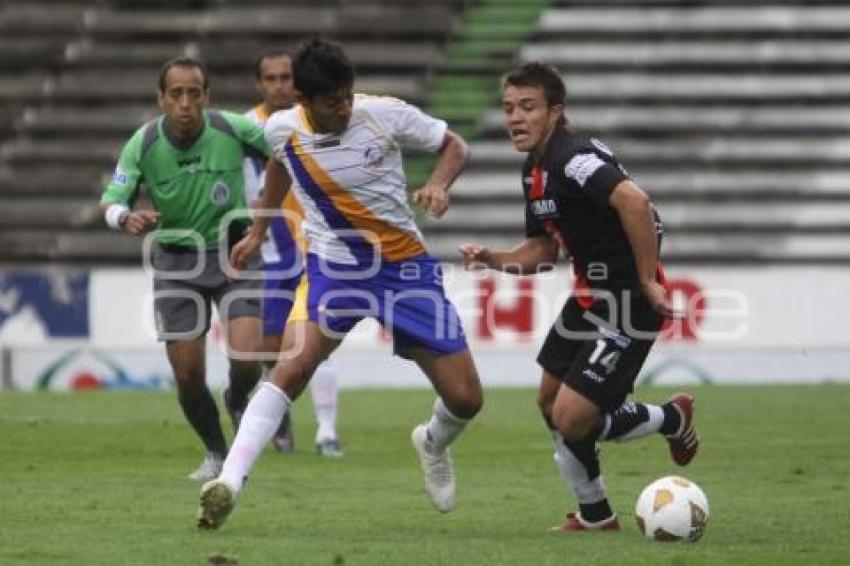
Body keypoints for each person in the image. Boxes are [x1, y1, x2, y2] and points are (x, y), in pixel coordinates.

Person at [197, 38, 483, 529]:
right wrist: (261, 227)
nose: (345, 107)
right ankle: (230, 481)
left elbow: (455, 145)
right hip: (335, 268)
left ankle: (432, 441)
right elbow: (277, 162)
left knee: (466, 399)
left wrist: (437, 184)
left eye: (348, 95)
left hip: (403, 268)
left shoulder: (385, 114)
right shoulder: (283, 128)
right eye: (333, 101)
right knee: (294, 364)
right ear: (304, 102)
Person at [459, 62, 699, 532]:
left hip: (629, 299)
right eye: (509, 108)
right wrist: (492, 258)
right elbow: (544, 250)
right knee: (550, 401)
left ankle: (671, 418)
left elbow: (635, 202)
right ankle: (595, 514)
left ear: (555, 112)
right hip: (590, 295)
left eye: (528, 107)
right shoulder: (535, 171)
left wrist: (649, 280)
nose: (515, 118)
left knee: (572, 417)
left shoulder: (573, 158)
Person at [99, 56, 268, 482]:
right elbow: (112, 199)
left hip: (234, 251)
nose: (186, 103)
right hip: (177, 260)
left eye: (194, 93)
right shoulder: (144, 142)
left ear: (207, 96)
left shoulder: (233, 128)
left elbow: (287, 151)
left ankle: (236, 393)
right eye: (176, 94)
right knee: (189, 375)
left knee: (247, 357)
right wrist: (124, 217)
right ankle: (216, 451)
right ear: (162, 98)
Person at [244, 47, 343, 457]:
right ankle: (280, 411)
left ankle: (326, 430)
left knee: (316, 335)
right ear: (260, 83)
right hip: (273, 251)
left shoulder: (320, 119)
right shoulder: (249, 127)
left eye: (286, 78)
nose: (279, 86)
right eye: (271, 78)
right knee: (270, 344)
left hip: (318, 244)